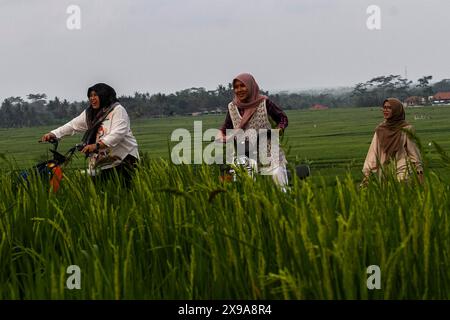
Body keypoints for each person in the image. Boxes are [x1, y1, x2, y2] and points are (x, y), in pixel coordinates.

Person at [40, 83, 139, 186]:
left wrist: (97, 145)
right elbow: (73, 125)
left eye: (95, 95)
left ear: (104, 95)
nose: (92, 98)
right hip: (102, 162)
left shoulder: (118, 110)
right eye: (90, 96)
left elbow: (118, 134)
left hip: (124, 159)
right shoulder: (90, 113)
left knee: (123, 191)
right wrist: (54, 133)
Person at [217, 73, 289, 187]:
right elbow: (225, 127)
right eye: (236, 87)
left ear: (251, 86)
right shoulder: (232, 107)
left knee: (278, 180)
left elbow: (282, 118)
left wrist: (278, 130)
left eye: (243, 86)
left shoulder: (264, 103)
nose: (239, 90)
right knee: (242, 186)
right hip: (245, 156)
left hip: (270, 152)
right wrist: (221, 136)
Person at [362, 97, 423, 185]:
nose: (385, 110)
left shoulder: (406, 129)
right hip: (385, 169)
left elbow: (413, 152)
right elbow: (373, 151)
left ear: (397, 110)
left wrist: (419, 171)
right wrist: (367, 173)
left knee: (402, 190)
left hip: (403, 168)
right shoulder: (380, 129)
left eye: (389, 108)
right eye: (384, 107)